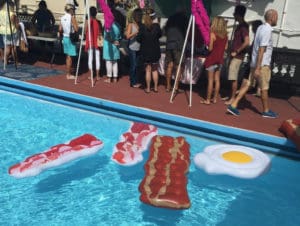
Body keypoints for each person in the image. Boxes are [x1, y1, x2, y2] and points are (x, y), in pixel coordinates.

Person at [227, 9, 279, 118]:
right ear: (272, 17)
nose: (277, 19)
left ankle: (234, 104)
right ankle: (266, 110)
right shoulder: (267, 30)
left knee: (248, 84)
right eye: (276, 17)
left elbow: (256, 45)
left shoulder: (260, 28)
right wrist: (259, 67)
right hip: (262, 64)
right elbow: (261, 49)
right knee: (264, 88)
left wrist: (255, 64)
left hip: (254, 63)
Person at [225, 5, 250, 105]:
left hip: (237, 56)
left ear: (238, 14)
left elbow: (247, 41)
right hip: (235, 55)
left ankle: (232, 98)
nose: (233, 15)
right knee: (232, 77)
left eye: (234, 13)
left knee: (233, 77)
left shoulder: (243, 26)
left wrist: (237, 51)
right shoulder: (241, 26)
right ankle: (231, 95)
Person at [201, 17, 228, 105]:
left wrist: (207, 46)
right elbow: (226, 47)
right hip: (220, 59)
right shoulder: (225, 35)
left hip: (212, 59)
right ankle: (215, 98)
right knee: (217, 80)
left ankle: (208, 100)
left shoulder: (212, 34)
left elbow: (210, 48)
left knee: (210, 80)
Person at [164, 9, 189, 92]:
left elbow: (166, 30)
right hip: (179, 44)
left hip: (169, 43)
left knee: (169, 65)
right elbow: (188, 31)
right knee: (178, 66)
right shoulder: (185, 19)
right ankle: (176, 87)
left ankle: (168, 86)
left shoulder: (170, 18)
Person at [138, 8, 162, 93]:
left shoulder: (142, 27)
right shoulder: (157, 27)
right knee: (155, 70)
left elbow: (138, 39)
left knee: (148, 70)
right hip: (155, 51)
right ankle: (155, 87)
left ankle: (148, 88)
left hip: (145, 52)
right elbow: (160, 35)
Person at [58, 4, 79, 80]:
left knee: (67, 56)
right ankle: (68, 74)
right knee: (70, 57)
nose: (74, 11)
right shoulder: (72, 18)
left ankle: (69, 71)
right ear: (70, 10)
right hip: (70, 38)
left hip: (65, 37)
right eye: (73, 10)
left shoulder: (62, 17)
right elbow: (76, 29)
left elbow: (60, 29)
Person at [125, 8, 143, 88]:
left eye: (140, 16)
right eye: (138, 16)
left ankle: (136, 80)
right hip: (132, 48)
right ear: (135, 16)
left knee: (138, 65)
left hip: (139, 48)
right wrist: (135, 33)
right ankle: (132, 82)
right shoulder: (131, 24)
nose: (139, 17)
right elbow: (127, 36)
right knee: (133, 65)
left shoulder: (141, 24)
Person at [84, 6, 103, 81]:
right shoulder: (98, 22)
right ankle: (98, 75)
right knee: (97, 58)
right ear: (96, 13)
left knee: (90, 58)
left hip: (90, 41)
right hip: (97, 41)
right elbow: (101, 32)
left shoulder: (88, 21)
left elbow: (85, 31)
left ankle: (91, 75)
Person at [0, 0, 19, 65]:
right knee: (13, 47)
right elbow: (16, 24)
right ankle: (16, 62)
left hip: (4, 31)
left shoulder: (1, 12)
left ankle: (5, 61)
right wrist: (19, 29)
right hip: (12, 31)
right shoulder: (12, 14)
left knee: (7, 47)